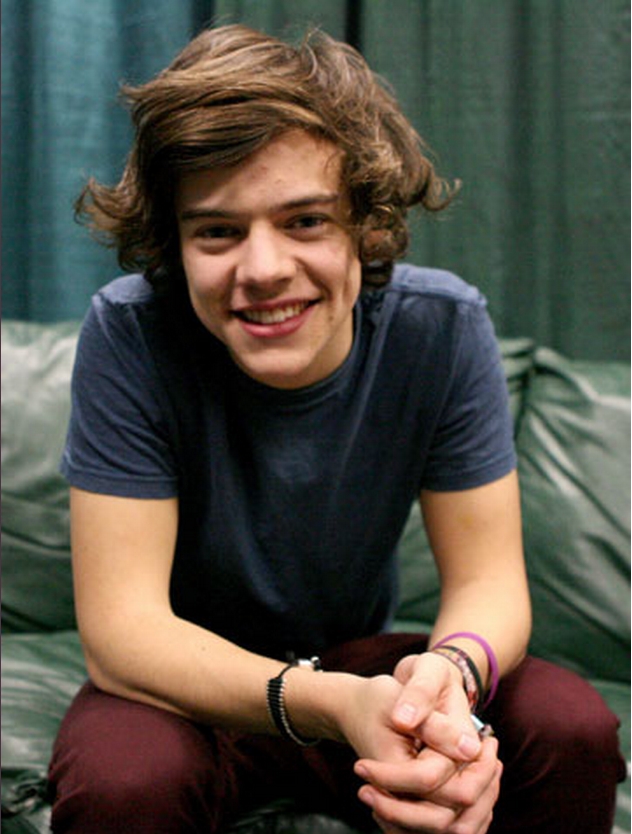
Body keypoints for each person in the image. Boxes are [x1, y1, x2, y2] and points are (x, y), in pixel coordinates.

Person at [48, 24, 624, 834]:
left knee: (571, 727)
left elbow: (489, 585)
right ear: (174, 245)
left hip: (362, 669)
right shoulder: (130, 333)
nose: (263, 269)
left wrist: (448, 682)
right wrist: (330, 704)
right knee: (124, 784)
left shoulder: (441, 327)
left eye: (306, 221)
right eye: (217, 231)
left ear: (366, 223)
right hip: (186, 683)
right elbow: (124, 634)